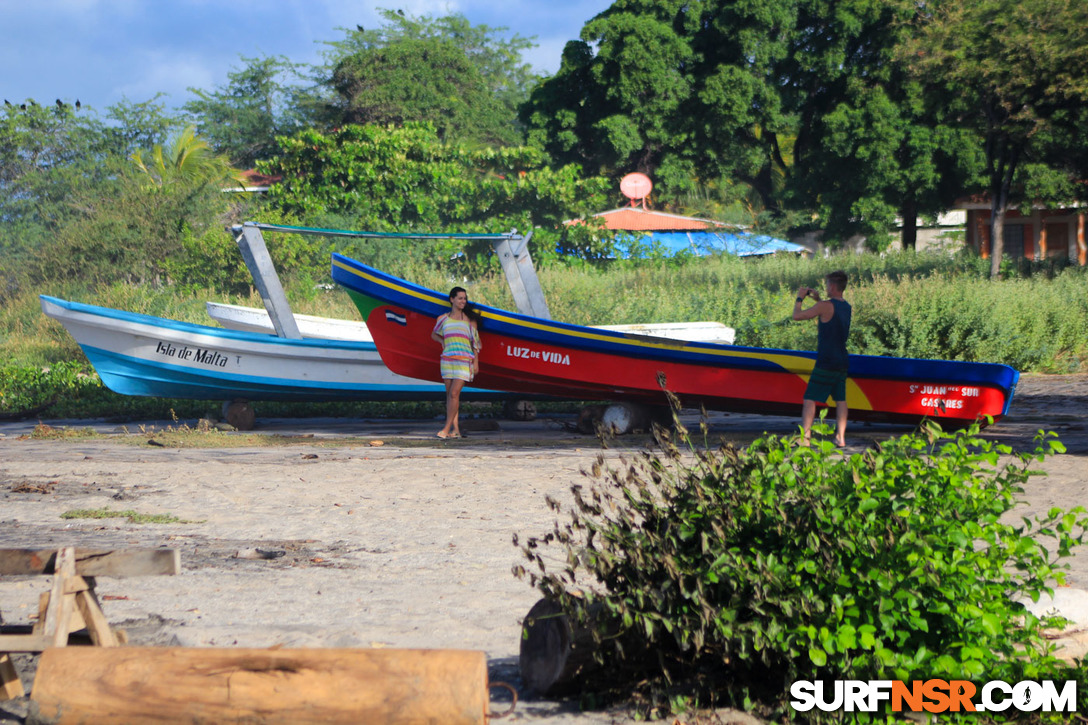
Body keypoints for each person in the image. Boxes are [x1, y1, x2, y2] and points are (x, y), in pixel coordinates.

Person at [792, 270, 852, 446]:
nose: (826, 287)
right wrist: (818, 300)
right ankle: (841, 437)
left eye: (827, 285)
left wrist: (799, 298)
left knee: (809, 398)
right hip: (842, 359)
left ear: (832, 286)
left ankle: (806, 437)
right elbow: (828, 313)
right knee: (840, 399)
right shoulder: (846, 306)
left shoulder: (825, 306)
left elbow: (797, 316)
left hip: (827, 360)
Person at [431, 287, 481, 439]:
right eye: (460, 298)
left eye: (465, 298)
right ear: (452, 299)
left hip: (464, 361)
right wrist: (443, 342)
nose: (463, 301)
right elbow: (434, 334)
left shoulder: (469, 321)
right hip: (447, 360)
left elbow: (476, 343)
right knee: (451, 396)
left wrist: (476, 363)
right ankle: (456, 430)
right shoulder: (442, 319)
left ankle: (446, 429)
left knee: (454, 393)